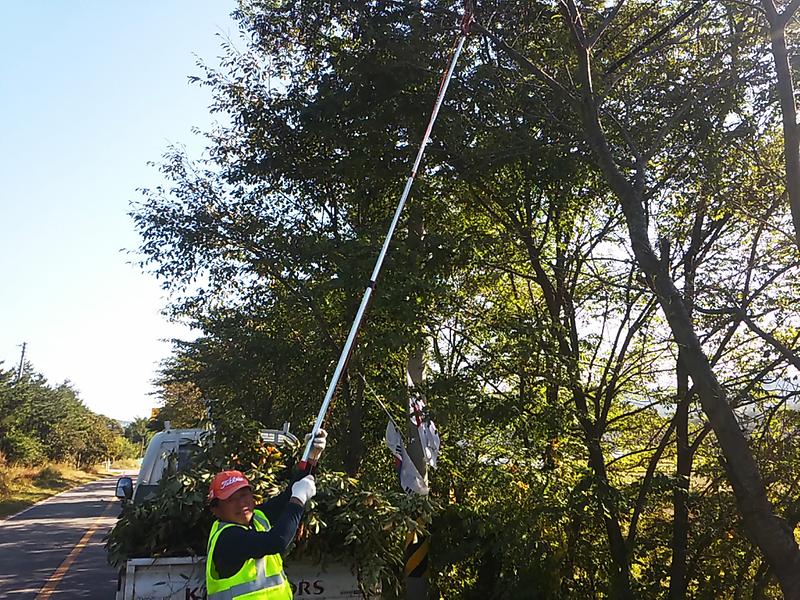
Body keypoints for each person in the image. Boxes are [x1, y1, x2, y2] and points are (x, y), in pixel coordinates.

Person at [205, 429, 327, 600]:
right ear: (216, 510)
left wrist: (312, 458)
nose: (242, 503)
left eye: (244, 495)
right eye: (231, 500)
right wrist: (299, 499)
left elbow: (288, 495)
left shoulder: (258, 518)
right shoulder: (228, 538)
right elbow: (277, 541)